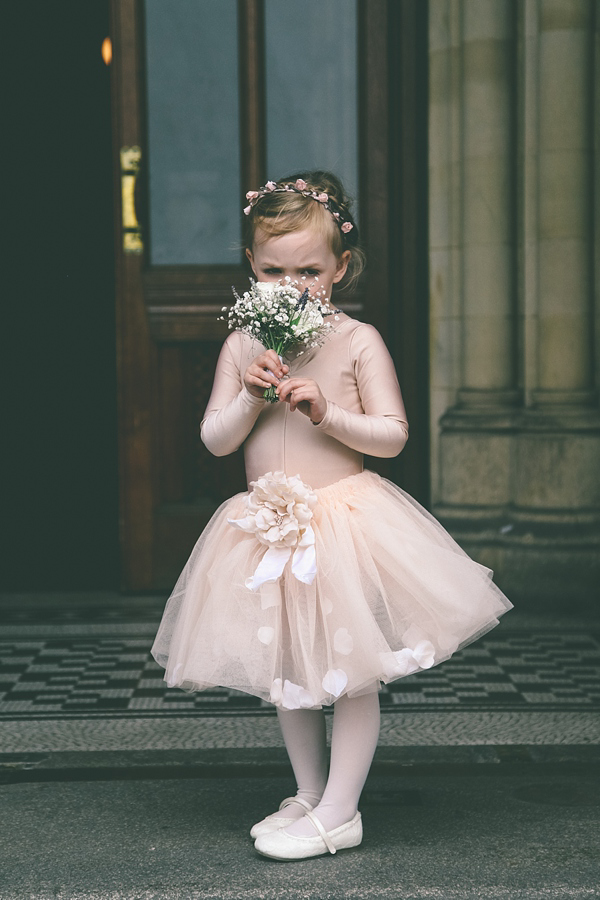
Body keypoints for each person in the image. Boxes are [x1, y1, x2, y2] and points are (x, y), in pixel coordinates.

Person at [151, 171, 512, 861]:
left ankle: (343, 810)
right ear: (252, 269)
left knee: (349, 670)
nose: (292, 286)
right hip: (266, 527)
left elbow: (395, 434)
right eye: (274, 270)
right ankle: (310, 792)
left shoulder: (358, 340)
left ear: (340, 268)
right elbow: (216, 439)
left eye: (310, 270)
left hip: (341, 526)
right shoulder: (241, 346)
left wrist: (330, 413)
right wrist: (252, 396)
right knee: (288, 666)